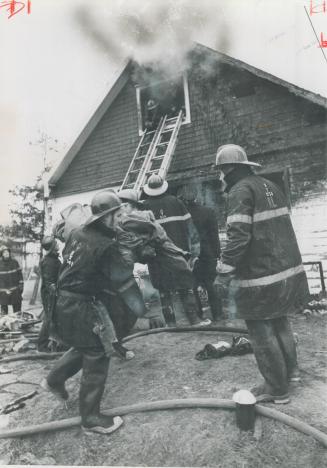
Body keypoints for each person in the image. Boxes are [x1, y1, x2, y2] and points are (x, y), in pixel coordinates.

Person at [214, 144, 309, 404]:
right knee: (280, 322)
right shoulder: (270, 186)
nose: (220, 177)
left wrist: (224, 270)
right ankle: (291, 375)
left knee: (260, 330)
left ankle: (276, 389)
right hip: (287, 273)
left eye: (221, 171)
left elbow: (238, 237)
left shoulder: (239, 191)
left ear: (230, 169)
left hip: (260, 278)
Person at [42, 191, 137, 435]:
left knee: (86, 346)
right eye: (117, 215)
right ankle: (91, 418)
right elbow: (118, 278)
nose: (121, 218)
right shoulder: (106, 246)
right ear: (105, 217)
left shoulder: (77, 234)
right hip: (81, 305)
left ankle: (54, 380)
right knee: (98, 352)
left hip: (63, 302)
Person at [142, 175, 209, 327]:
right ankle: (194, 320)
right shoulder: (176, 202)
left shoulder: (144, 207)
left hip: (157, 256)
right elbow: (191, 230)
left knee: (164, 290)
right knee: (186, 286)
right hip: (179, 253)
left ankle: (171, 323)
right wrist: (194, 253)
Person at [177, 184, 223, 322]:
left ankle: (198, 315)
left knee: (193, 285)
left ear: (182, 198)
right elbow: (214, 235)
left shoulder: (181, 215)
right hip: (208, 253)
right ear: (196, 196)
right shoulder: (207, 212)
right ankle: (218, 314)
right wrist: (217, 253)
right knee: (211, 284)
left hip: (189, 254)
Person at [37, 236, 62, 352]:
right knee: (49, 318)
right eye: (55, 243)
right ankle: (42, 345)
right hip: (50, 294)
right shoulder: (48, 261)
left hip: (51, 293)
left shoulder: (53, 259)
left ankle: (56, 343)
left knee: (54, 317)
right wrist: (55, 293)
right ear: (52, 246)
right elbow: (49, 282)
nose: (57, 245)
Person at [0, 246, 24, 315]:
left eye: (7, 252)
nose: (6, 253)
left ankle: (18, 323)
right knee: (4, 312)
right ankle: (4, 324)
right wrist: (3, 290)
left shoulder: (14, 262)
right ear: (2, 254)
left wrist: (21, 286)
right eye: (4, 252)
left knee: (17, 310)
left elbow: (20, 275)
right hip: (3, 291)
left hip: (15, 290)